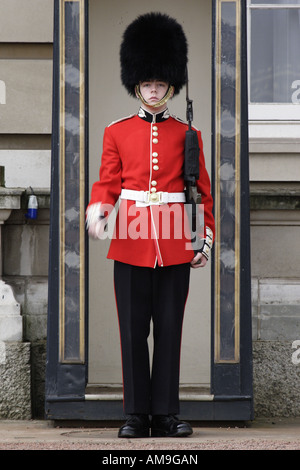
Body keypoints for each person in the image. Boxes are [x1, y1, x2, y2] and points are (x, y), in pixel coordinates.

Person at [86, 12, 215, 438]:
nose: (154, 90)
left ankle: (165, 414)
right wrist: (100, 212)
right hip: (131, 239)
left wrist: (201, 240)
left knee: (170, 330)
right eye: (147, 84)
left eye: (160, 83)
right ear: (136, 85)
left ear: (171, 86)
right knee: (132, 331)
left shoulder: (187, 134)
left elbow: (200, 191)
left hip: (176, 239)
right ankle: (136, 415)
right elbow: (107, 182)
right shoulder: (117, 131)